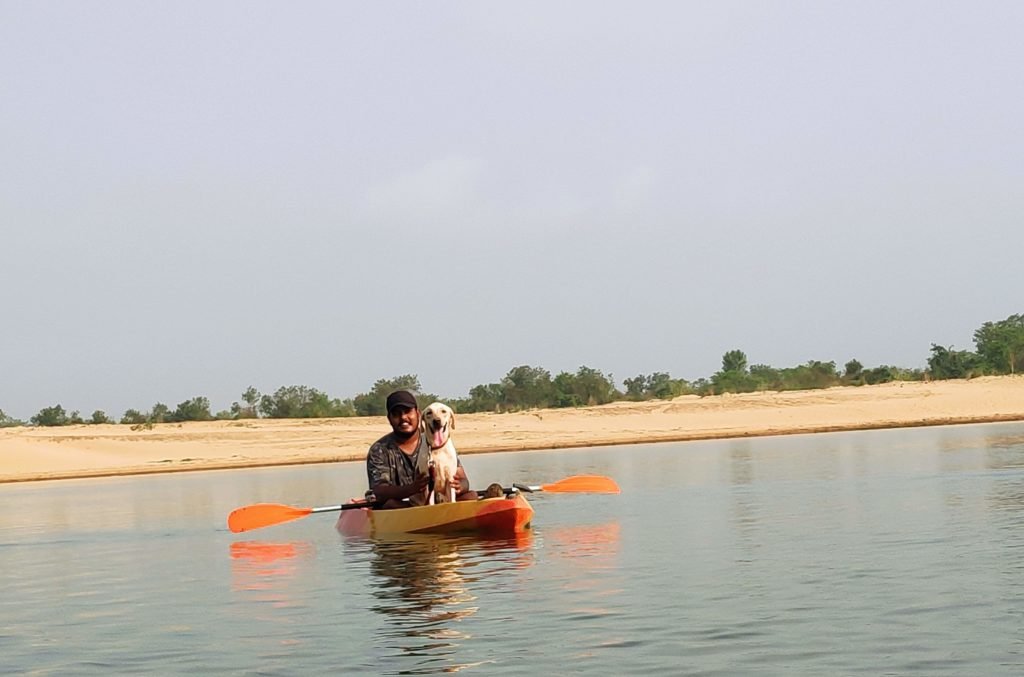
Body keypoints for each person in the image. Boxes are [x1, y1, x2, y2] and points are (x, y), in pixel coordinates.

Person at [365, 390, 477, 508]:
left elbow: (463, 479)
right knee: (390, 505)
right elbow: (380, 492)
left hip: (440, 500)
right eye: (396, 414)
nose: (403, 417)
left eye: (408, 411)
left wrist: (461, 485)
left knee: (472, 496)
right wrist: (412, 489)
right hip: (407, 505)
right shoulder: (379, 450)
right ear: (389, 418)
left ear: (418, 414)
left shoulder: (439, 443)